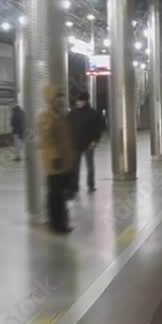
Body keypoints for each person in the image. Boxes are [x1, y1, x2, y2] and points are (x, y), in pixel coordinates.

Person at [39, 84, 75, 233]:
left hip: (63, 162)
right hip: (54, 163)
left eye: (62, 97)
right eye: (57, 97)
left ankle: (61, 222)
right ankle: (57, 224)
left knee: (60, 194)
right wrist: (55, 156)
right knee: (55, 195)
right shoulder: (46, 117)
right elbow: (47, 139)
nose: (61, 100)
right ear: (50, 99)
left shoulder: (60, 115)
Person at [68, 91, 105, 194]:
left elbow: (99, 128)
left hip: (89, 144)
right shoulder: (72, 113)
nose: (78, 103)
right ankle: (74, 186)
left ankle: (91, 185)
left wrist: (95, 141)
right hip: (75, 144)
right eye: (78, 101)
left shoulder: (93, 113)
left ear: (85, 101)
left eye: (80, 101)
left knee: (90, 166)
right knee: (75, 166)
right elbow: (66, 126)